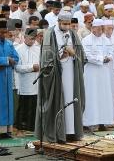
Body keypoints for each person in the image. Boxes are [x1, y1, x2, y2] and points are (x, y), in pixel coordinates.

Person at [35, 11, 86, 143]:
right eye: (64, 24)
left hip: (71, 72)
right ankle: (58, 133)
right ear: (58, 22)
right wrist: (60, 56)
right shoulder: (50, 34)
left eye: (69, 24)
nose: (67, 26)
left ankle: (71, 132)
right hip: (57, 75)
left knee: (71, 99)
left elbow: (81, 55)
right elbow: (46, 59)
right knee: (59, 101)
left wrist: (73, 53)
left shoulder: (73, 34)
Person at [82, 19, 114, 131]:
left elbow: (111, 53)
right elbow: (87, 56)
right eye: (99, 28)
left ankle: (102, 122)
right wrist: (102, 59)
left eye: (102, 28)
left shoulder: (106, 40)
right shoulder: (86, 40)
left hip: (104, 72)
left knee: (103, 96)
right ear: (93, 28)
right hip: (91, 72)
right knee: (91, 96)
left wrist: (108, 58)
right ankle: (88, 122)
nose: (101, 31)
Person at [14, 28, 40, 132]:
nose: (32, 41)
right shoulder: (18, 49)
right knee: (24, 106)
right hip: (24, 83)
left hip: (36, 82)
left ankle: (32, 127)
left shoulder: (38, 49)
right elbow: (17, 68)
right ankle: (21, 126)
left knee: (34, 106)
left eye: (34, 39)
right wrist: (32, 67)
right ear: (24, 37)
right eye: (30, 38)